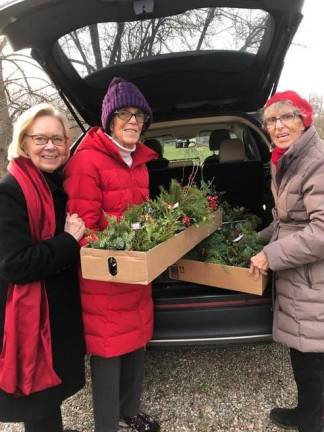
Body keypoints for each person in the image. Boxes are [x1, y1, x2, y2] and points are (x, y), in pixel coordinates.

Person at [64, 77, 160, 432]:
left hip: (136, 274)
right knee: (108, 352)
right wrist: (125, 243)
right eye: (124, 113)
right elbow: (84, 229)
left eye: (139, 114)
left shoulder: (140, 162)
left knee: (136, 344)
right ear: (109, 120)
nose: (133, 121)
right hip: (105, 278)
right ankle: (106, 424)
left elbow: (143, 217)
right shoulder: (86, 162)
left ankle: (129, 412)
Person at [0, 104, 86, 432]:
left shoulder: (52, 185)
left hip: (52, 309)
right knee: (37, 396)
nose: (50, 147)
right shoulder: (10, 192)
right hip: (29, 315)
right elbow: (14, 264)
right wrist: (68, 240)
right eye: (40, 139)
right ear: (23, 143)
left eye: (57, 139)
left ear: (67, 144)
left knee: (48, 393)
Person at [249, 90, 324, 432]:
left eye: (286, 117)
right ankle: (308, 411)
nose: (278, 126)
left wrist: (270, 254)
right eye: (271, 120)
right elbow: (287, 221)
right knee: (304, 352)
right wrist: (257, 239)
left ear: (303, 118)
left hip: (313, 277)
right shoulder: (287, 157)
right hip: (301, 273)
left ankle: (311, 421)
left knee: (311, 356)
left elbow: (321, 232)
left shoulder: (316, 161)